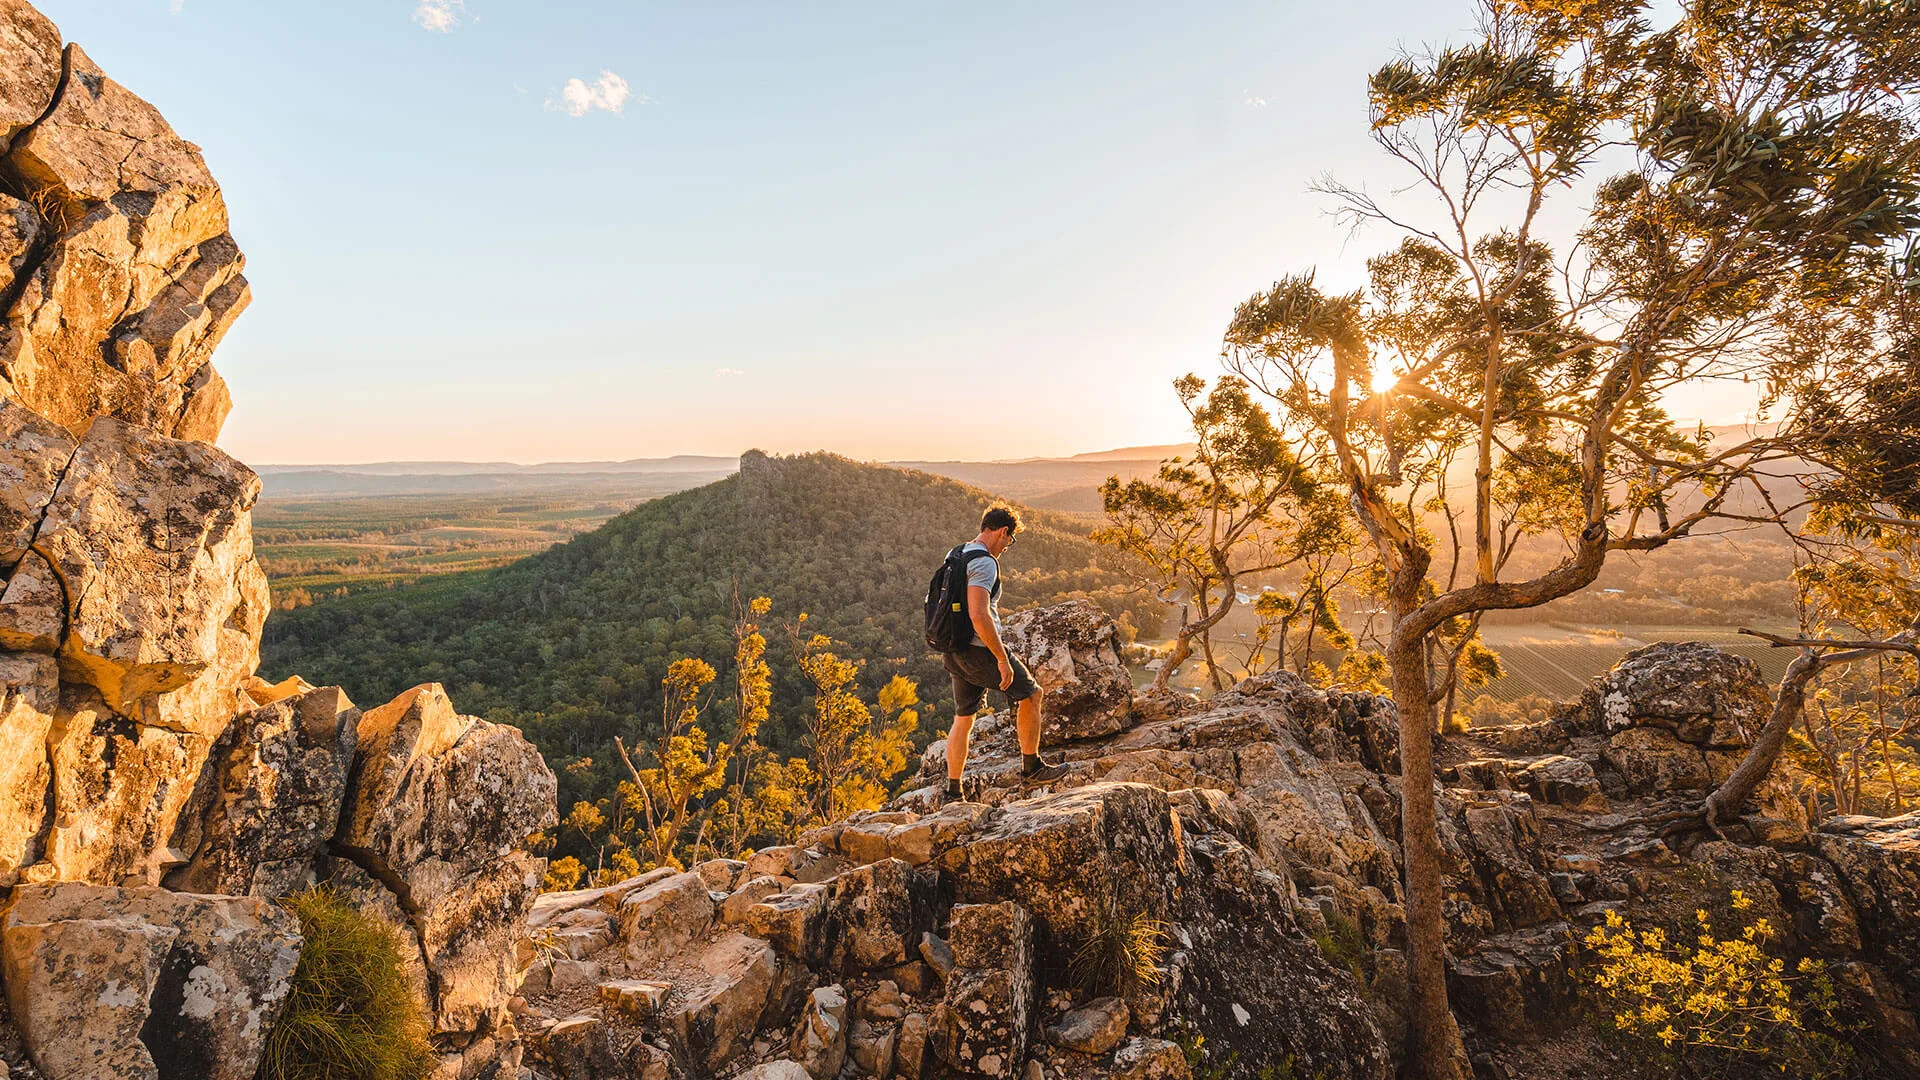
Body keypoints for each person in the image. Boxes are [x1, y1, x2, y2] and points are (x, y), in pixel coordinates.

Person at [942, 506, 1068, 801]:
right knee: (1031, 694)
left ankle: (952, 790)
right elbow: (979, 614)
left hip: (953, 647)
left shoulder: (956, 553)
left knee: (964, 717)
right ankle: (1032, 767)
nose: (1007, 548)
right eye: (1010, 541)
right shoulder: (985, 563)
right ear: (1002, 532)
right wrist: (1000, 658)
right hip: (979, 649)